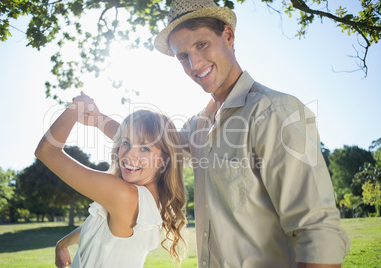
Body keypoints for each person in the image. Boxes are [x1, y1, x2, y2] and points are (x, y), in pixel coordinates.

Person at [152, 0, 351, 267]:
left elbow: (317, 232)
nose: (195, 64)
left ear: (228, 36)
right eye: (183, 57)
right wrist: (94, 118)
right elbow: (148, 142)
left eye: (201, 45)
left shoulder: (273, 111)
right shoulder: (199, 125)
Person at [35, 92, 187, 268]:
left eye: (144, 148)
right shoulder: (150, 195)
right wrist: (63, 243)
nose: (129, 155)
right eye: (126, 143)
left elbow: (46, 151)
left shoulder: (124, 195)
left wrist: (78, 106)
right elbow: (98, 224)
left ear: (163, 160)